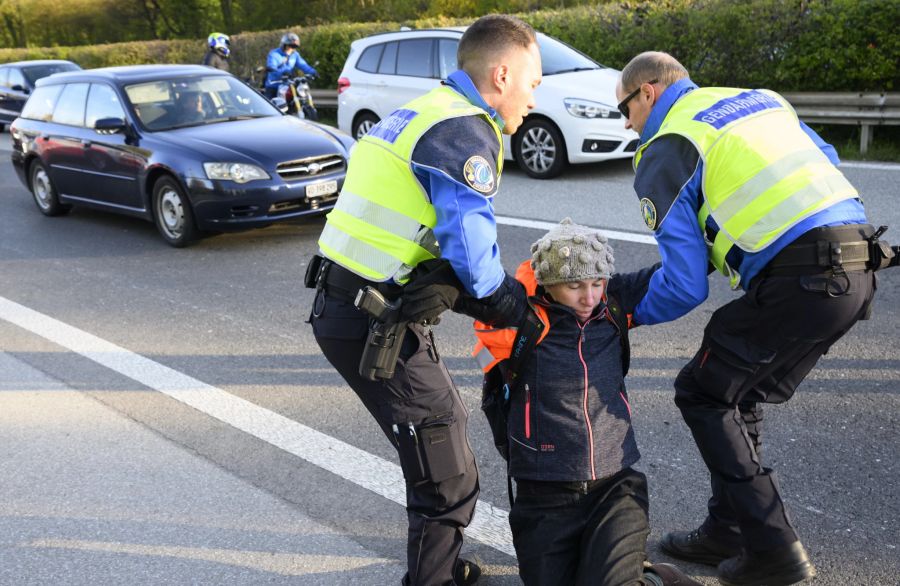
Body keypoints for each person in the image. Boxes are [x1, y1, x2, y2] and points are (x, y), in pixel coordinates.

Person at [615, 51, 885, 586]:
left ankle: (774, 551)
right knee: (737, 390)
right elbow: (824, 158)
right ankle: (728, 530)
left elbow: (686, 285)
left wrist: (625, 315)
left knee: (703, 392)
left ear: (647, 91)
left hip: (801, 280)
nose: (626, 123)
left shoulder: (666, 147)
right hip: (857, 265)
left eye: (625, 109)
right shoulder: (758, 100)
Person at [307, 14, 542, 586]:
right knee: (448, 473)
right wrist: (515, 308)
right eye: (534, 85)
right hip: (373, 318)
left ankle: (435, 564)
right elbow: (474, 258)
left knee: (437, 440)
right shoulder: (463, 131)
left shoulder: (421, 111)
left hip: (357, 306)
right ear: (503, 75)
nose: (535, 101)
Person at [471, 218, 702, 586]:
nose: (589, 297)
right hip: (543, 489)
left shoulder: (614, 303)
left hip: (615, 485)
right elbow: (472, 280)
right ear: (548, 283)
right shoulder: (521, 314)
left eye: (597, 283)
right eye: (574, 285)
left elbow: (680, 276)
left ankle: (654, 579)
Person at [265, 32, 317, 98]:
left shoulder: (295, 55)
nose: (291, 49)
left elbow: (303, 65)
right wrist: (282, 72)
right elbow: (272, 67)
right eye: (290, 46)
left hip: (288, 86)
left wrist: (312, 72)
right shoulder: (274, 54)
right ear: (284, 45)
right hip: (274, 86)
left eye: (294, 47)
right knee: (270, 105)